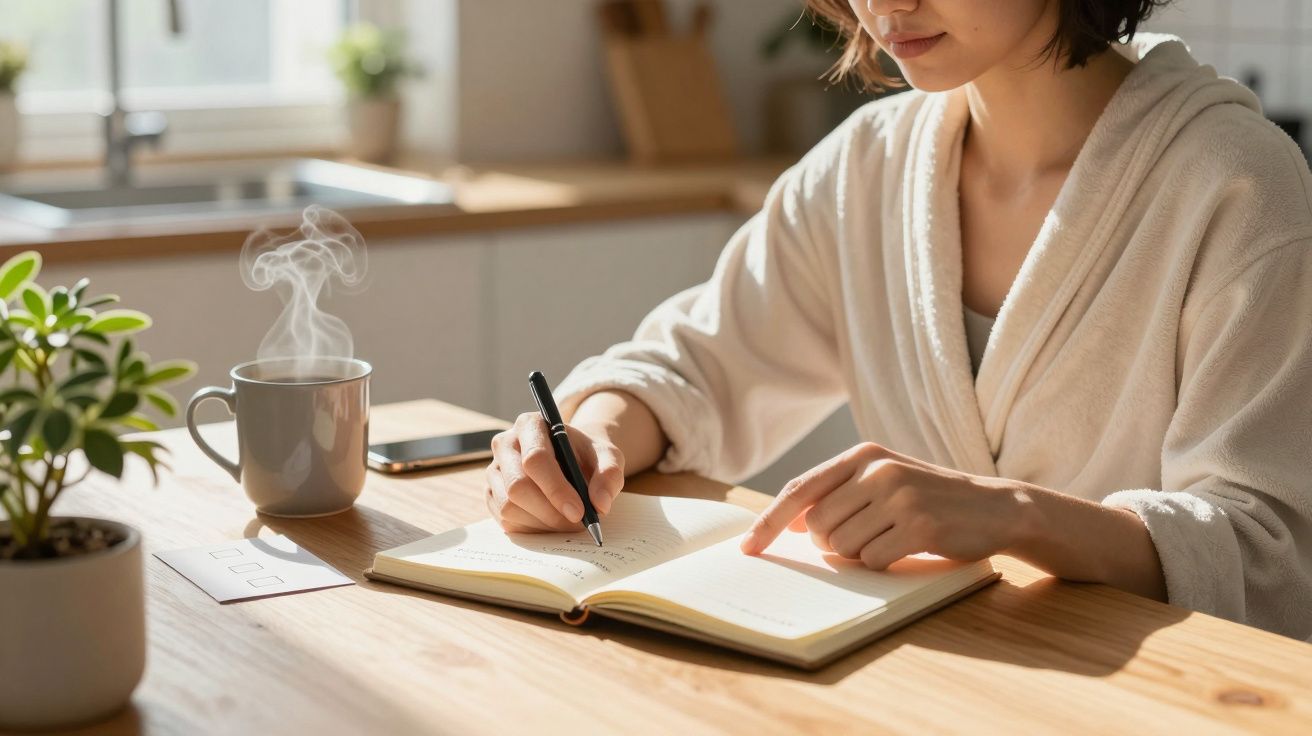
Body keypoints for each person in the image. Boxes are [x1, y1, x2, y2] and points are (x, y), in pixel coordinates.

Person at [484, 0, 1312, 639]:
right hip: (925, 684)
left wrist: (1018, 515)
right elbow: (695, 365)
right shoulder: (867, 169)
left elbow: (1271, 551)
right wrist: (588, 443)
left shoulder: (1236, 185)